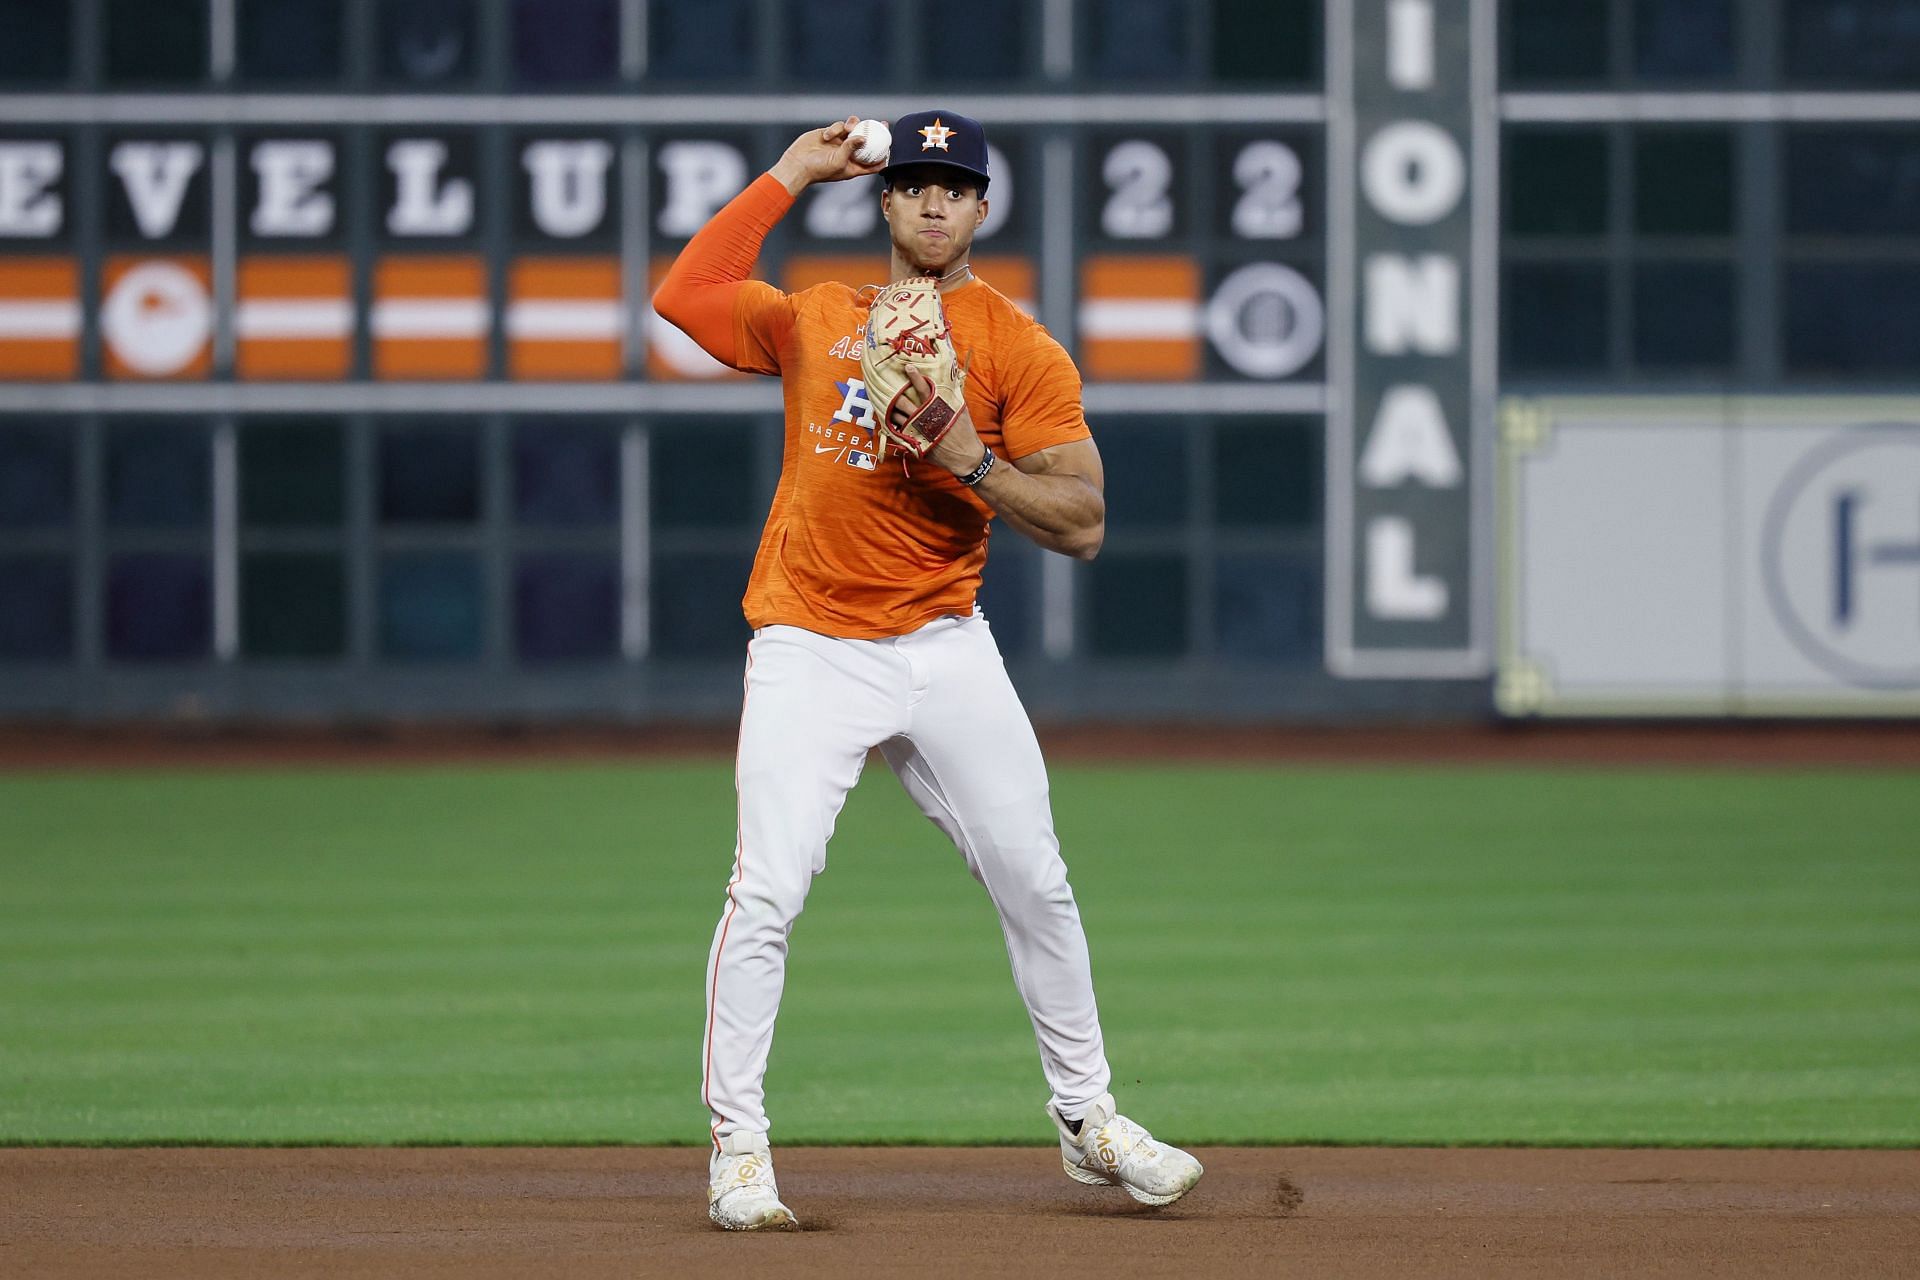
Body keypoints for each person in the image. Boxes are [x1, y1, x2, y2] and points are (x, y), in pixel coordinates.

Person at [652, 110, 1203, 1233]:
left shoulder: (1017, 346)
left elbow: (1085, 520)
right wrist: (786, 175)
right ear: (886, 201)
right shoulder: (820, 320)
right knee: (768, 886)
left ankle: (1089, 1119)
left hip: (942, 641)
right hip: (809, 641)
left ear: (982, 207)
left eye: (955, 185)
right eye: (913, 183)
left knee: (1036, 879)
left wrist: (972, 461)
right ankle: (739, 1148)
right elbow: (687, 297)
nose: (935, 201)